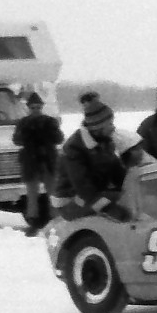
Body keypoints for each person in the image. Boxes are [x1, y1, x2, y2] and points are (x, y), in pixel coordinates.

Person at [50, 92, 128, 221]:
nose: (113, 127)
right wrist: (108, 208)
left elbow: (117, 172)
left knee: (128, 196)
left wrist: (131, 184)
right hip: (71, 201)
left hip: (93, 195)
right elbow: (82, 186)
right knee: (118, 200)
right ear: (98, 127)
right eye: (109, 124)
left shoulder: (104, 142)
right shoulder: (74, 148)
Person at [12, 92, 63, 236]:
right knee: (32, 195)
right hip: (31, 162)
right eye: (33, 107)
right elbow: (16, 140)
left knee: (53, 193)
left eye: (38, 107)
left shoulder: (50, 122)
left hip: (48, 161)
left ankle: (57, 220)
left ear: (42, 108)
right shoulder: (23, 123)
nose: (36, 110)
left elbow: (59, 138)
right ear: (28, 108)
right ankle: (33, 222)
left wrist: (47, 134)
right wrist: (28, 134)